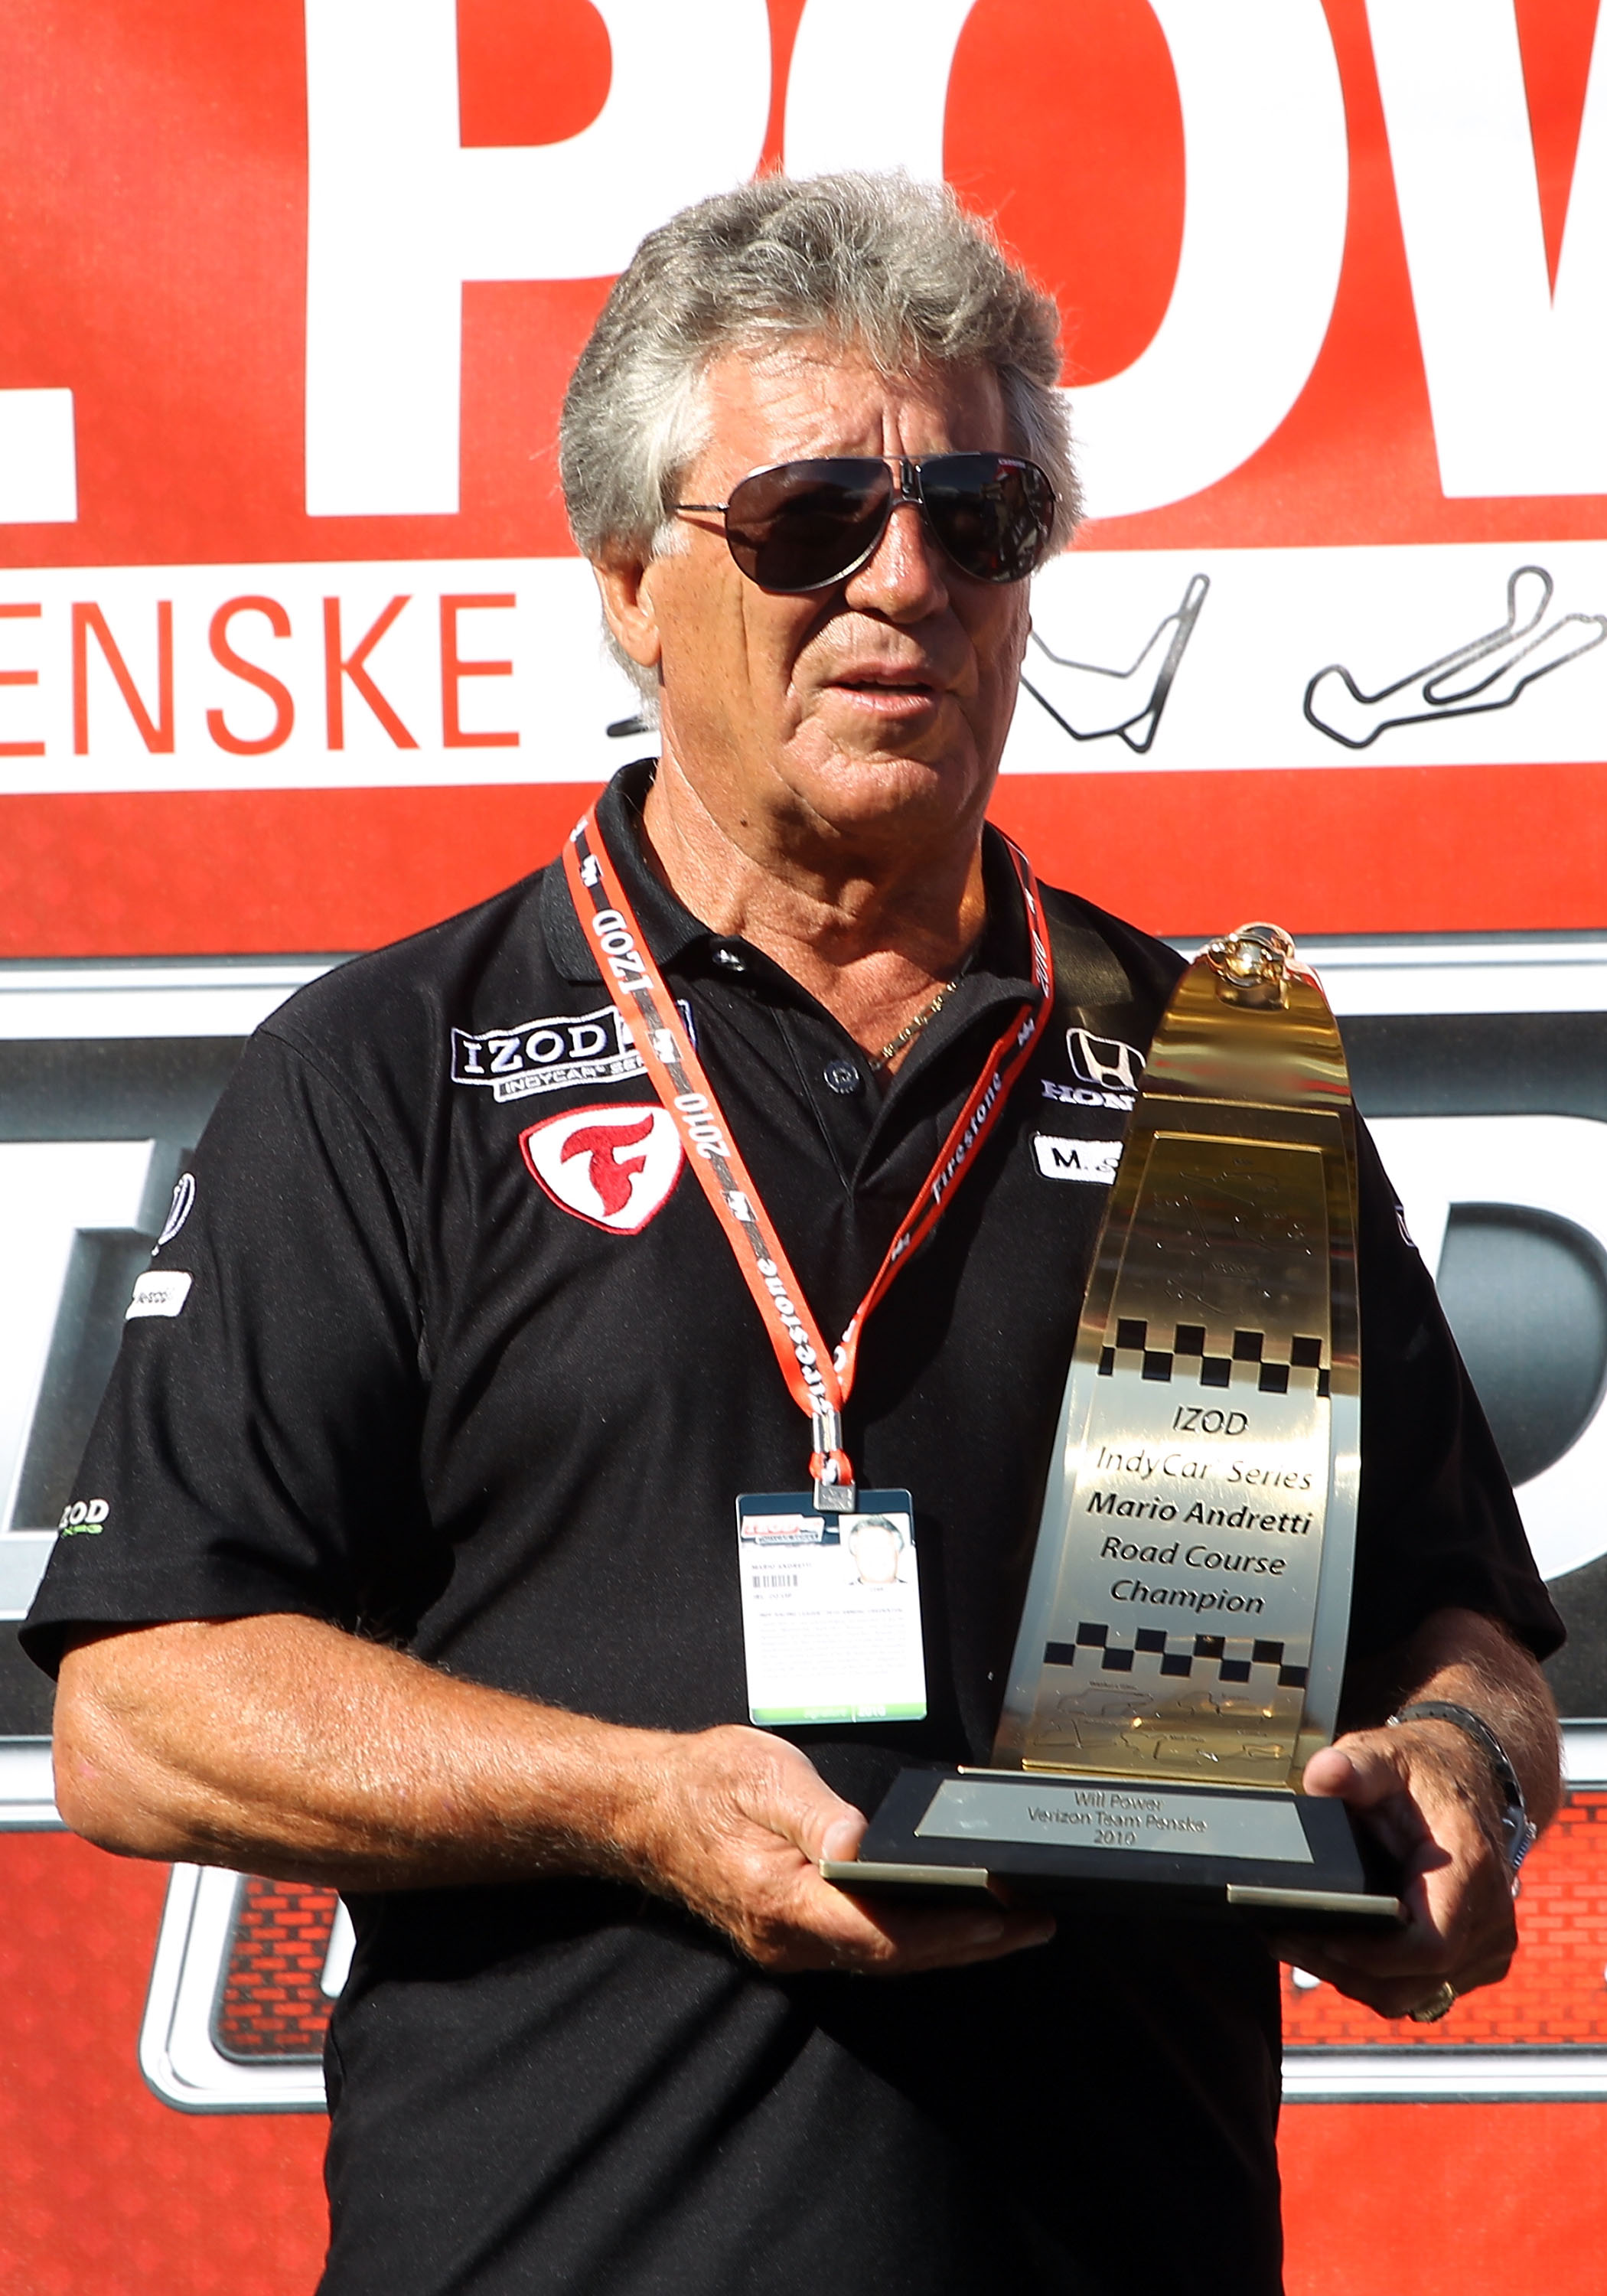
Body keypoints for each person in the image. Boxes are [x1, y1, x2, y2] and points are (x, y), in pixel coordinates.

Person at [25, 174, 1560, 2296]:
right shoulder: (392, 1068)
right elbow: (142, 1708)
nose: (902, 583)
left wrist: (1451, 1771)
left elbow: (1452, 1633)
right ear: (628, 586)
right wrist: (635, 1803)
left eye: (977, 517)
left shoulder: (1212, 1062)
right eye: (810, 519)